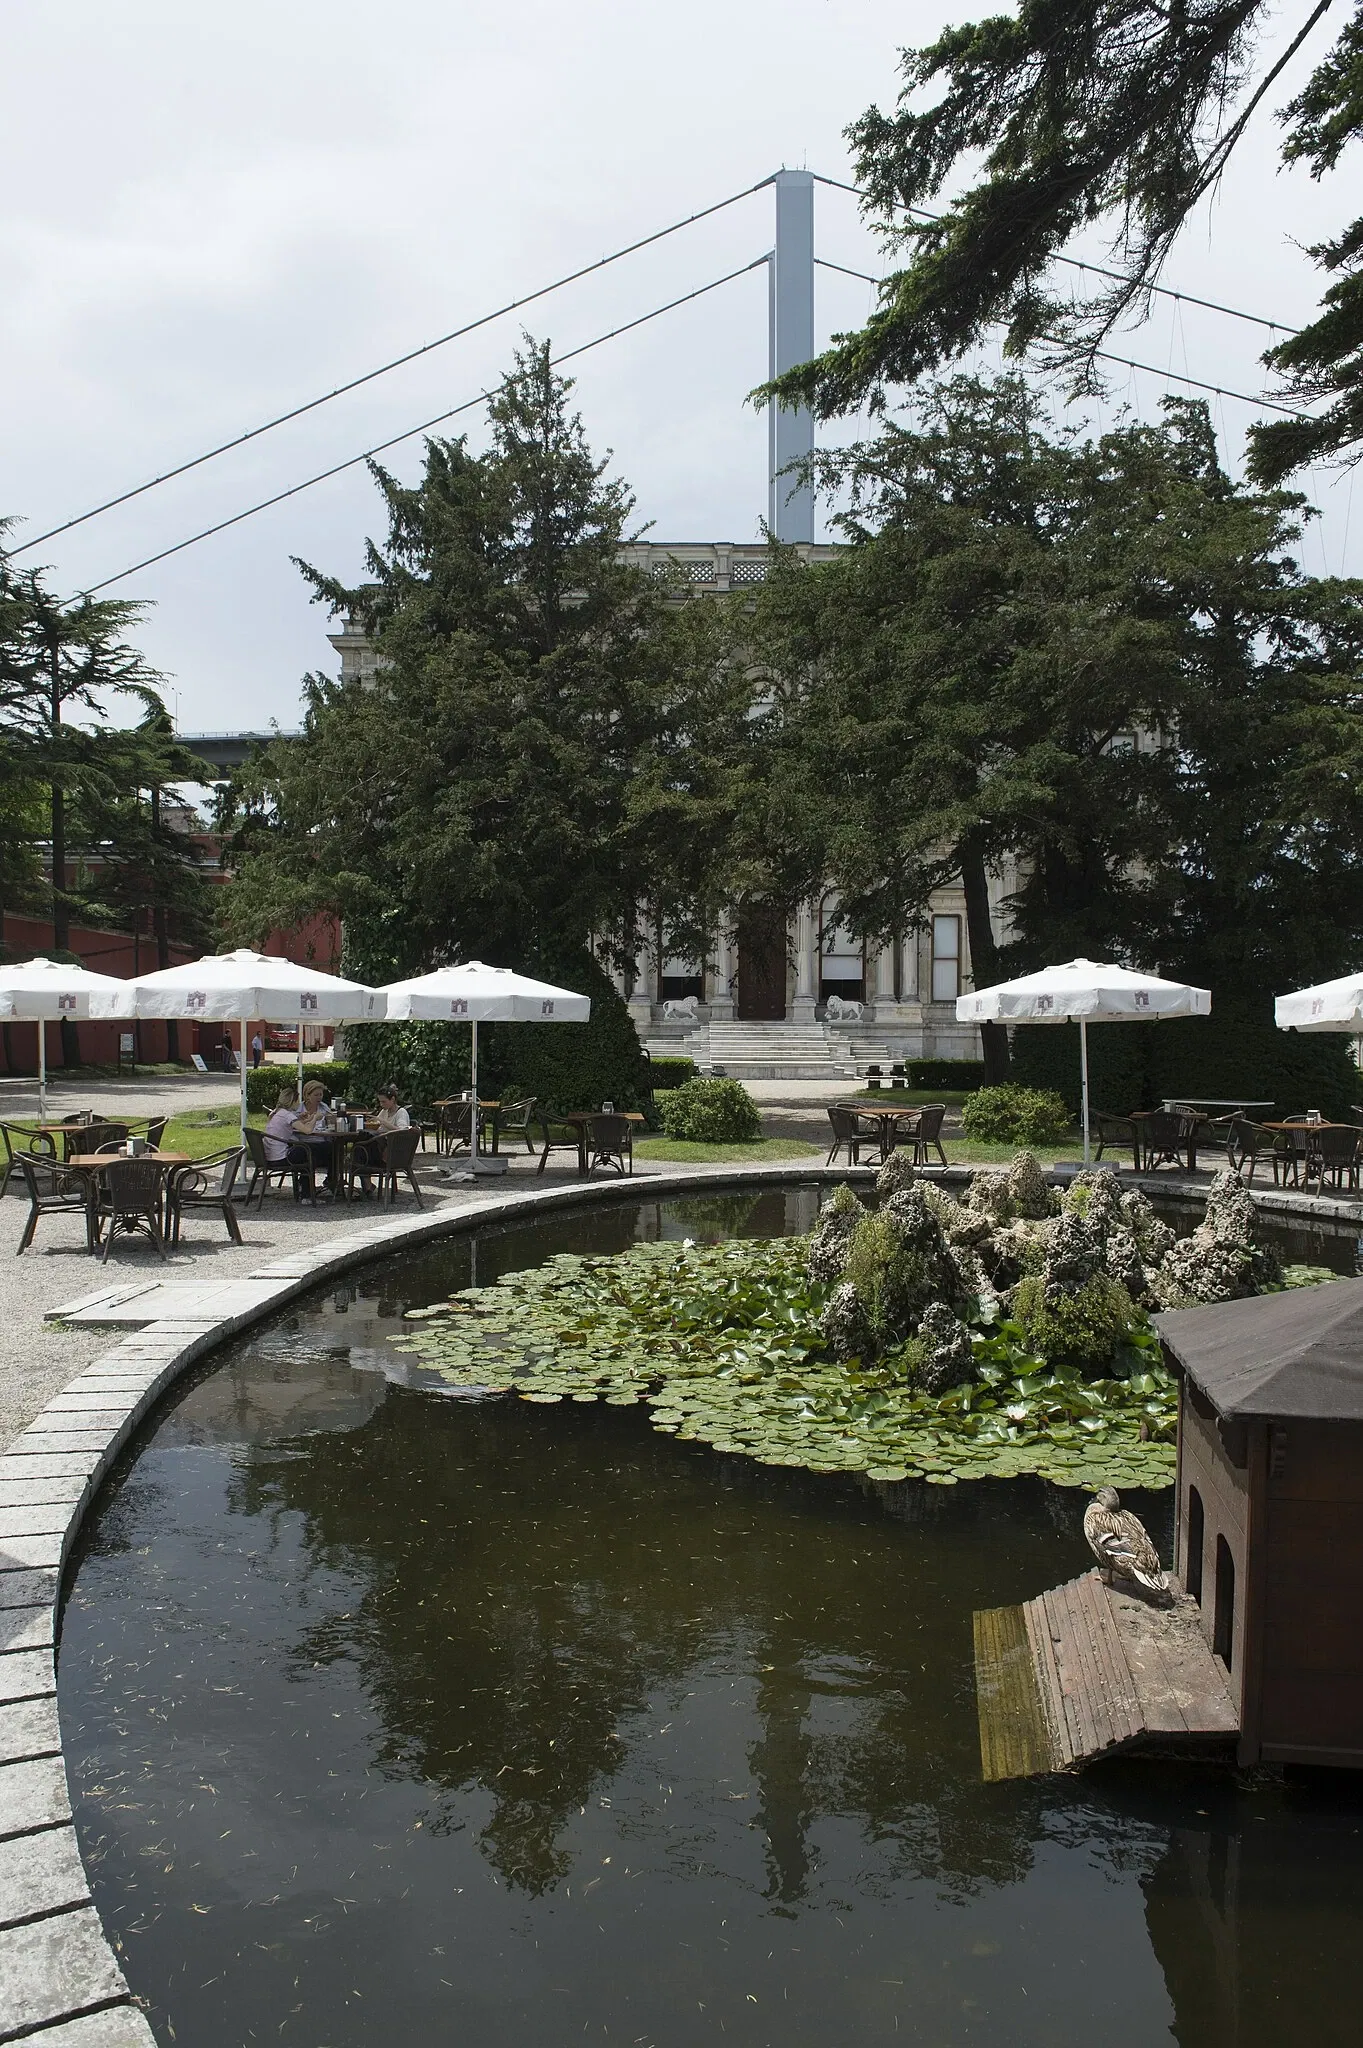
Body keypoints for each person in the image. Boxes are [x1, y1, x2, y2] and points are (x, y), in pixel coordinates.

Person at [262, 1085, 321, 1202]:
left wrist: (301, 1118)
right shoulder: (287, 1115)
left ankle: (304, 1189)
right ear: (293, 1101)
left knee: (307, 1151)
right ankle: (307, 1195)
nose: (299, 1104)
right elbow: (308, 1131)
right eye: (297, 1101)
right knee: (309, 1154)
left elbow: (294, 1123)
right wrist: (315, 1118)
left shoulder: (277, 1112)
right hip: (281, 1157)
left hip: (270, 1156)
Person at [353, 1084, 410, 1198]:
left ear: (392, 1099)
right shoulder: (385, 1111)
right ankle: (367, 1186)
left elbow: (403, 1130)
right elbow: (378, 1127)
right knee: (359, 1148)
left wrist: (381, 1122)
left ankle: (367, 1186)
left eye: (384, 1102)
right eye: (380, 1102)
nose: (381, 1104)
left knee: (359, 1152)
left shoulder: (401, 1112)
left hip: (393, 1152)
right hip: (382, 1147)